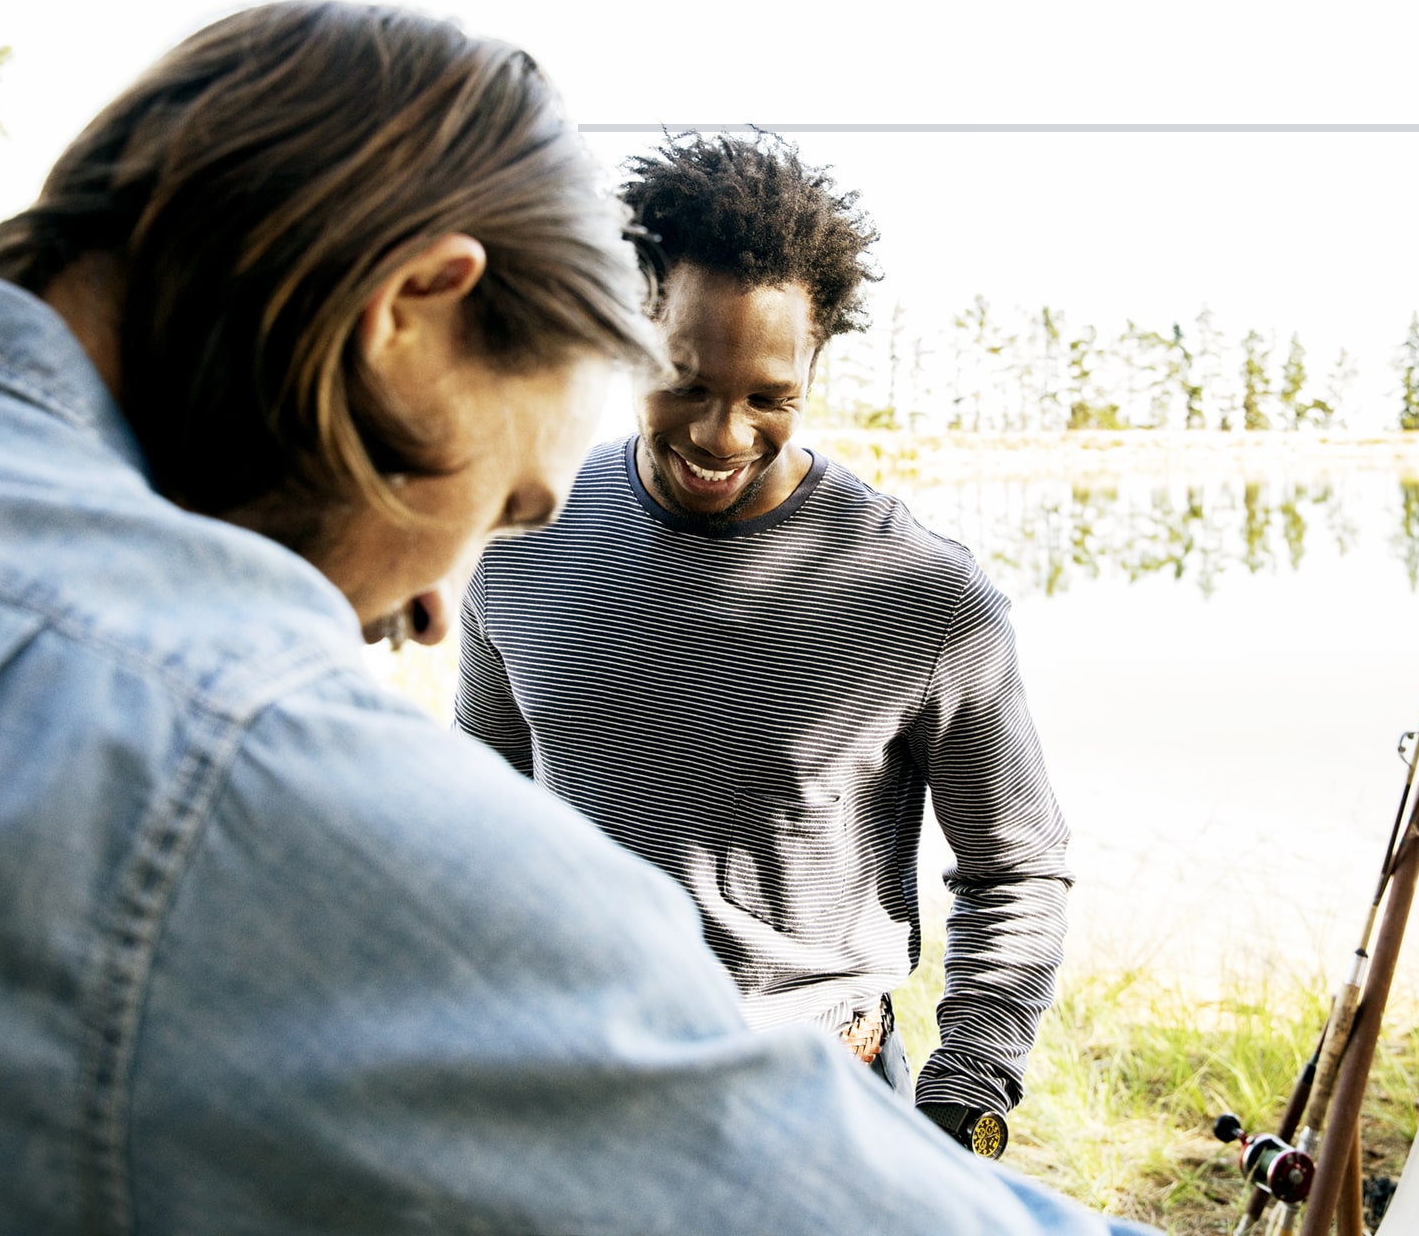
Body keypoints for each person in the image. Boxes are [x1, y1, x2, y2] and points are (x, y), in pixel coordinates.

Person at [0, 3, 1150, 1235]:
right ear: (410, 312)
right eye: (499, 504)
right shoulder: (234, 762)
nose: (437, 609)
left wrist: (962, 1087)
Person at [456, 133, 1074, 1153]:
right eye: (686, 383)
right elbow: (483, 809)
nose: (722, 434)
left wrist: (961, 1099)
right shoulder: (524, 535)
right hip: (576, 1086)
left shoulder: (927, 597)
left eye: (769, 398)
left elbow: (1017, 868)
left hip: (824, 1108)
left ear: (814, 369)